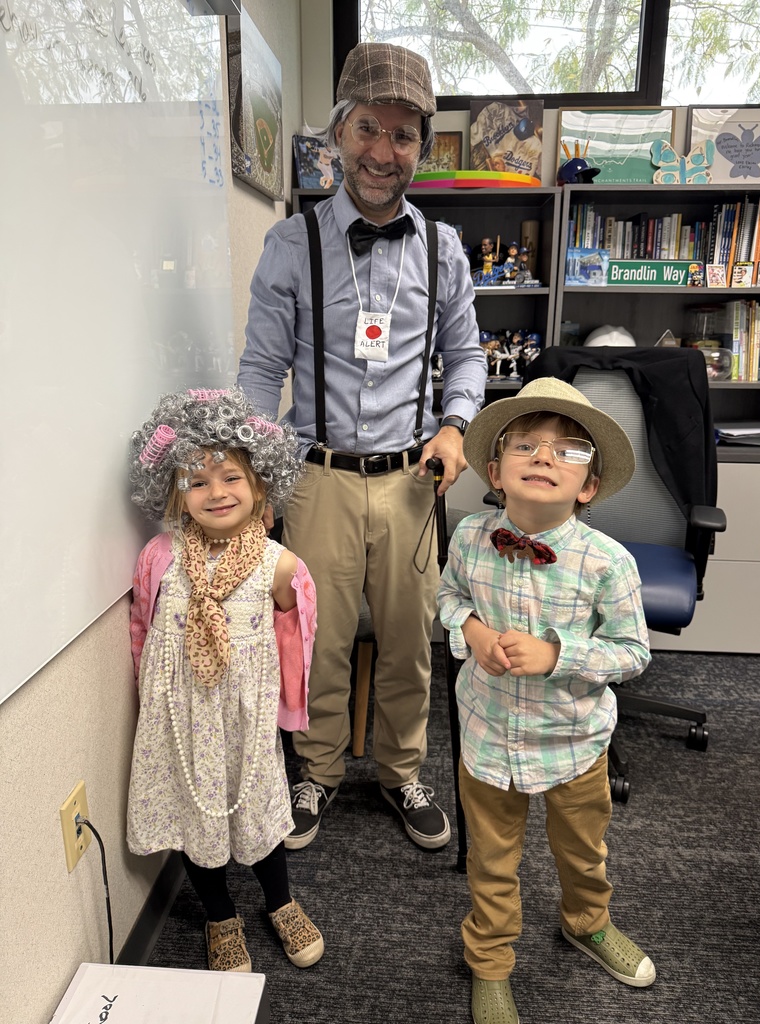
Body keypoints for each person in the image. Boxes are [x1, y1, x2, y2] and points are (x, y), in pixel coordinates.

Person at [238, 41, 487, 851]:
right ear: (338, 133)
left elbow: (470, 357)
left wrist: (455, 424)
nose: (385, 152)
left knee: (413, 642)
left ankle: (400, 770)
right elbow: (260, 372)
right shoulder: (290, 245)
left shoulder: (444, 249)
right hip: (319, 479)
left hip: (415, 478)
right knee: (319, 639)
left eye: (405, 135)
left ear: (422, 145)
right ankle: (315, 774)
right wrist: (255, 476)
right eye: (370, 129)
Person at [437, 378, 655, 1024]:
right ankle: (490, 963)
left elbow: (633, 652)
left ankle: (586, 923)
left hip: (575, 744)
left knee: (584, 851)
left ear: (587, 487)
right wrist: (470, 631)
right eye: (525, 444)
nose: (543, 457)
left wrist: (560, 655)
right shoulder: (471, 538)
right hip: (488, 738)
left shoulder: (607, 564)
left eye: (567, 451)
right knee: (491, 860)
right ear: (496, 470)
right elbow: (449, 599)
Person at [127, 387, 324, 973]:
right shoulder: (161, 557)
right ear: (175, 494)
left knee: (260, 814)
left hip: (246, 717)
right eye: (197, 481)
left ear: (260, 485)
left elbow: (297, 645)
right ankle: (219, 915)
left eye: (231, 477)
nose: (216, 492)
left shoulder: (278, 565)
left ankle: (280, 901)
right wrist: (148, 704)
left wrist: (289, 713)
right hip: (181, 720)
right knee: (196, 818)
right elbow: (142, 631)